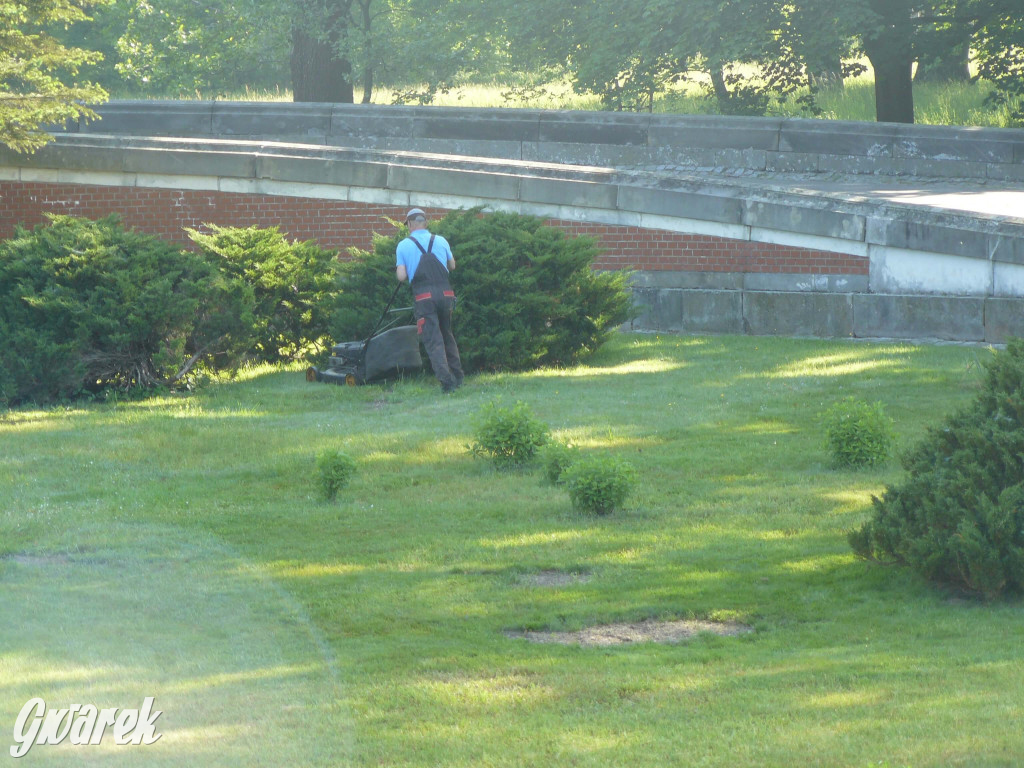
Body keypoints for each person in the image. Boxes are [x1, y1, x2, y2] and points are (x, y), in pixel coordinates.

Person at [395, 208, 464, 393]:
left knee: (434, 340)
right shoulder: (441, 240)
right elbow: (452, 265)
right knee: (447, 334)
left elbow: (402, 276)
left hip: (424, 298)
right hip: (446, 295)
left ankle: (447, 383)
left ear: (410, 224)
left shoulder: (404, 245)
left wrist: (404, 268)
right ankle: (458, 377)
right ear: (425, 222)